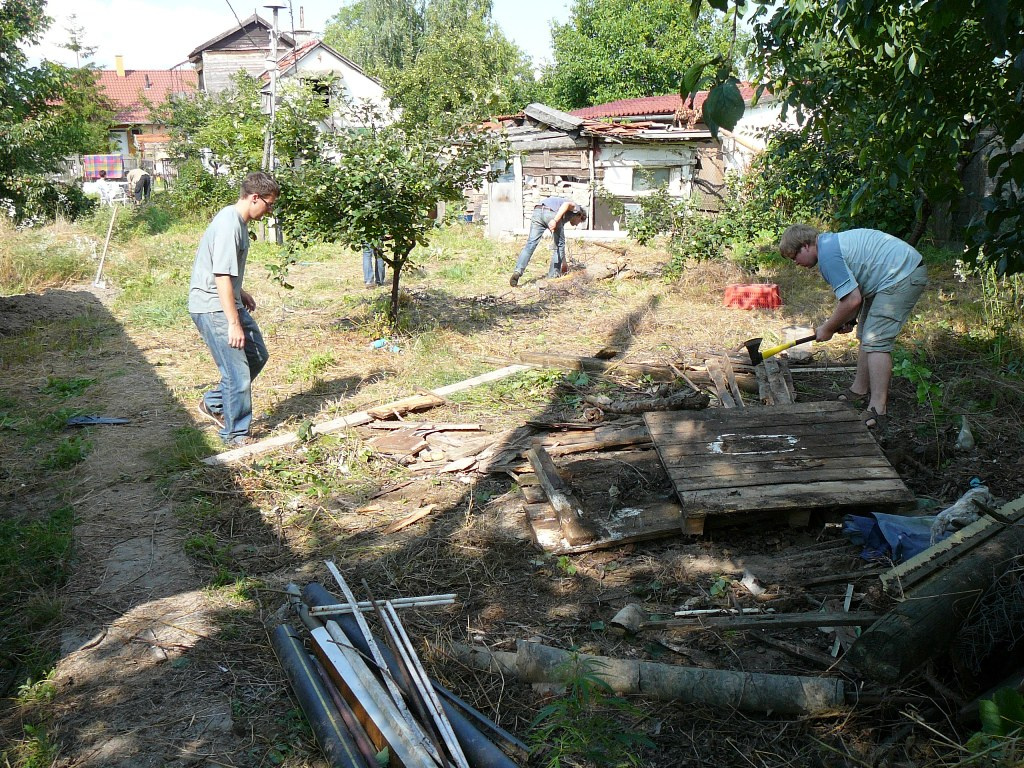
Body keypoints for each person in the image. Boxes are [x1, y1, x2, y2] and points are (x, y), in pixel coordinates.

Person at [779, 224, 928, 430]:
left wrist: (829, 328)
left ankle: (878, 409)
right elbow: (855, 290)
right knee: (866, 335)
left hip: (902, 276)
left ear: (805, 246)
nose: (796, 263)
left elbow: (851, 300)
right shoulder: (829, 245)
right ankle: (859, 390)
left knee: (876, 341)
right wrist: (846, 320)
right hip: (891, 276)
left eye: (794, 256)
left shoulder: (828, 257)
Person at [188, 171, 279, 446]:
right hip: (213, 307)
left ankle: (214, 402)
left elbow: (224, 271)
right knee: (236, 373)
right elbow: (221, 276)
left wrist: (241, 292)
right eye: (269, 203)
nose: (270, 209)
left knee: (257, 355)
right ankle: (235, 434)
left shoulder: (238, 221)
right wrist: (233, 322)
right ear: (254, 197)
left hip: (228, 300)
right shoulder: (229, 225)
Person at [509, 197, 587, 286]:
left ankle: (517, 271)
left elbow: (559, 244)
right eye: (579, 222)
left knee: (531, 244)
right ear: (580, 215)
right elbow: (566, 204)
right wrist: (554, 220)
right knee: (559, 245)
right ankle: (552, 278)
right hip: (550, 213)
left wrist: (564, 263)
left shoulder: (565, 214)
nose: (577, 224)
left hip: (538, 211)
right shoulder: (576, 208)